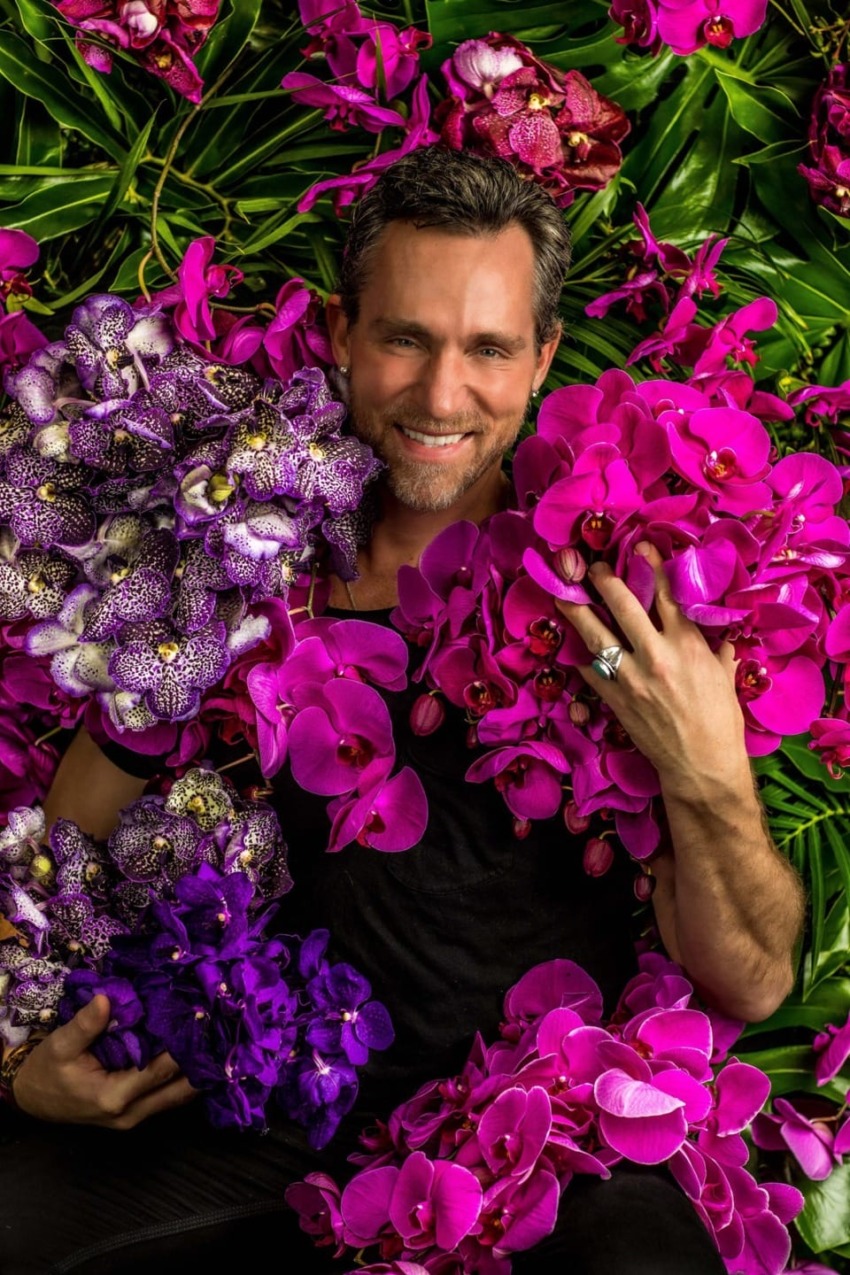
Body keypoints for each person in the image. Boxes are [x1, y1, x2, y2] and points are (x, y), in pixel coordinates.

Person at [1, 148, 804, 1274]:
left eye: (488, 348)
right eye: (406, 339)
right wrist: (21, 1062)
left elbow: (752, 981)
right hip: (266, 1125)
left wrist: (706, 771)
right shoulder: (242, 559)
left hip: (539, 1140)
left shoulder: (614, 596)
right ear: (340, 331)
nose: (440, 395)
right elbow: (59, 856)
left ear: (544, 358)